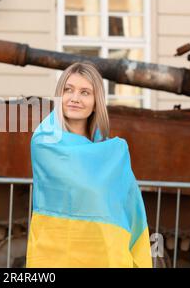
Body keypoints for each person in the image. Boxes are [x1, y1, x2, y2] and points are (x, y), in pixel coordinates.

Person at [25, 62, 153, 268]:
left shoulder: (112, 152)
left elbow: (130, 206)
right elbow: (84, 189)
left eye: (85, 92)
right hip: (57, 257)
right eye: (68, 90)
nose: (75, 98)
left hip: (107, 256)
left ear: (96, 102)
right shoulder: (45, 142)